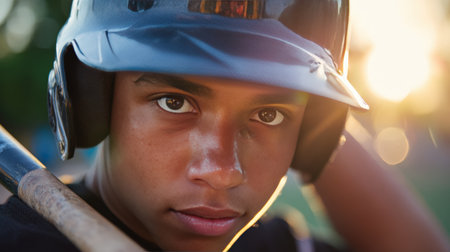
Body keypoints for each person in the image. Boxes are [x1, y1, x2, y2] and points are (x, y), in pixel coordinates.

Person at [1, 0, 448, 251]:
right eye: (175, 102)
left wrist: (319, 122)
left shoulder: (271, 246)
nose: (222, 170)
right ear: (88, 99)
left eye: (270, 114)